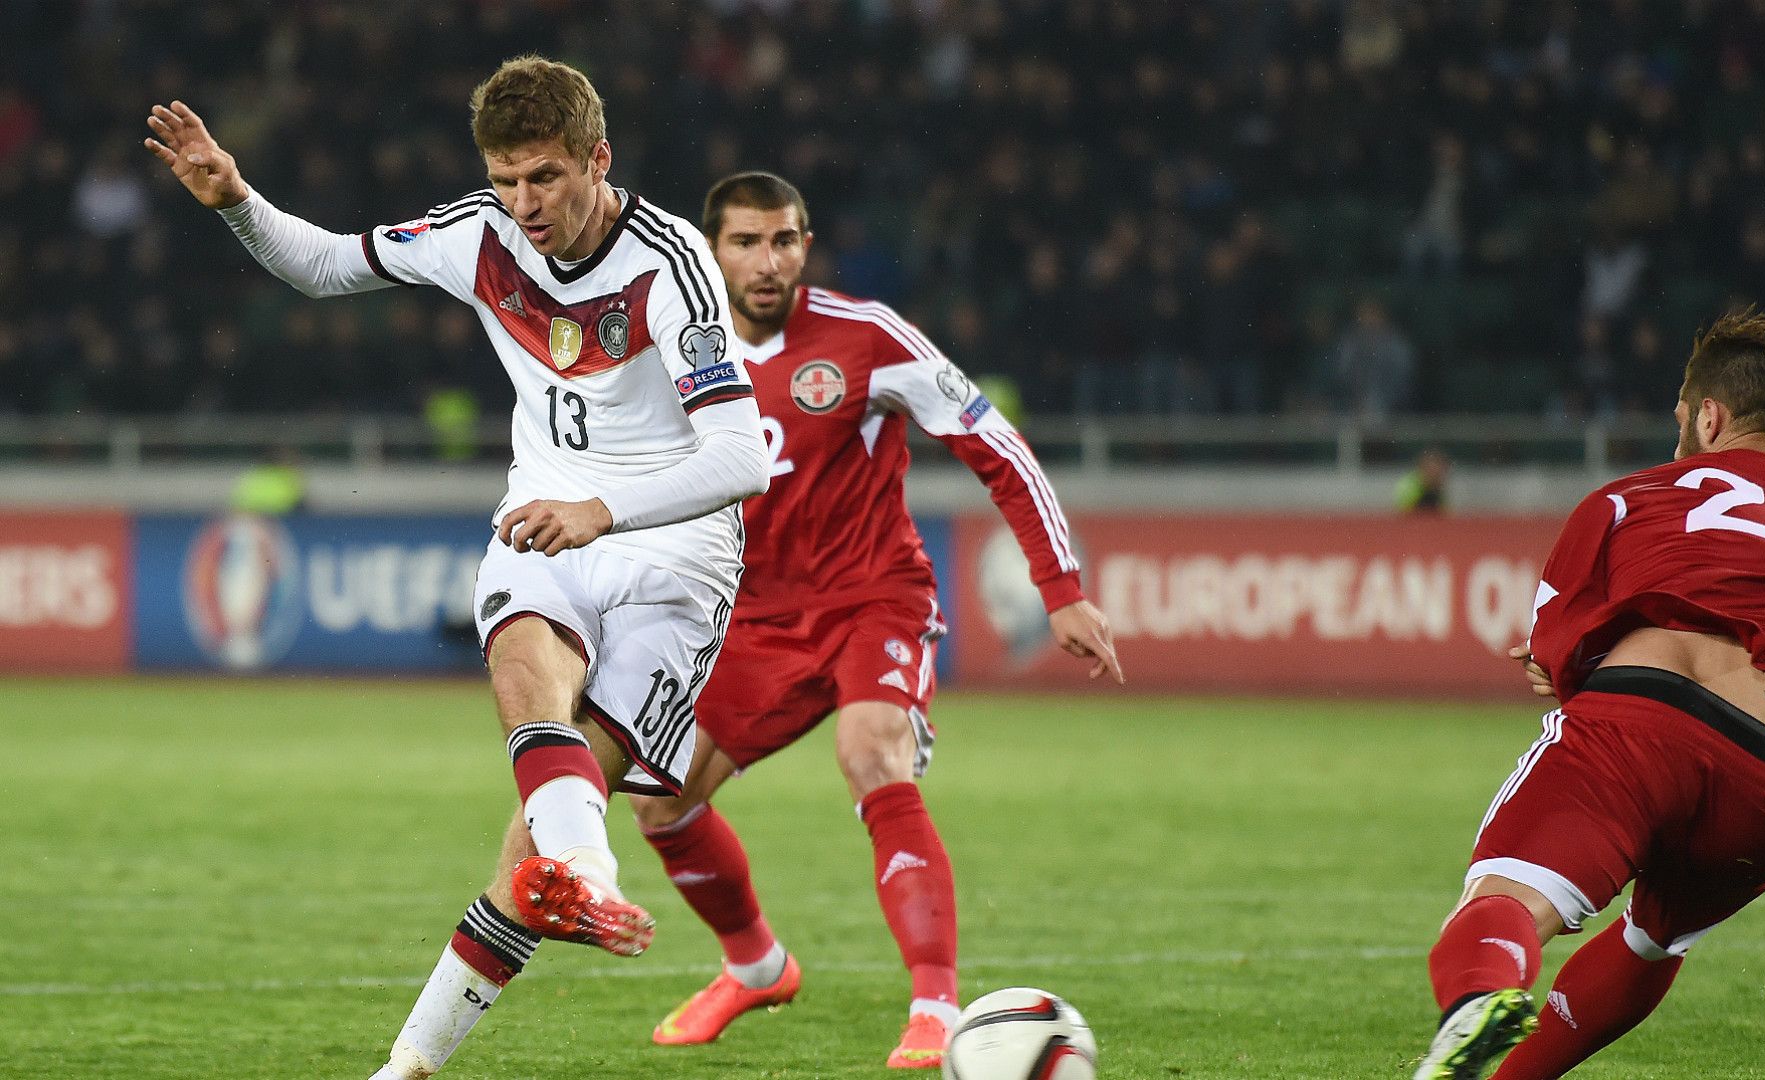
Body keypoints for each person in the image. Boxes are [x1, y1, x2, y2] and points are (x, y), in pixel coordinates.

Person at [144, 57, 771, 1080]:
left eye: (546, 177)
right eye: (506, 179)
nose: (524, 204)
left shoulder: (672, 262)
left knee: (526, 855)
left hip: (675, 559)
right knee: (525, 672)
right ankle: (581, 888)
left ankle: (514, 940)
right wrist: (239, 202)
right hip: (544, 527)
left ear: (598, 160)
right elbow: (327, 265)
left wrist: (601, 510)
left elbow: (742, 458)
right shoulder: (478, 234)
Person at [627, 172, 1125, 1069]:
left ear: (806, 245)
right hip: (753, 624)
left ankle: (936, 1006)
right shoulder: (668, 350)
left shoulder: (867, 337)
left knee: (869, 752)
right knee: (658, 798)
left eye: (784, 241)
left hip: (872, 599)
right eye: (746, 242)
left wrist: (1060, 587)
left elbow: (996, 446)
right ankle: (757, 967)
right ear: (710, 252)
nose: (767, 262)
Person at [1411, 310, 1765, 1080]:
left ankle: (1481, 996)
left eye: (1680, 419)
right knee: (1654, 938)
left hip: (1646, 723)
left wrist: (1565, 662)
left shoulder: (1628, 497)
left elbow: (1556, 651)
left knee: (1505, 900)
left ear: (1710, 416)